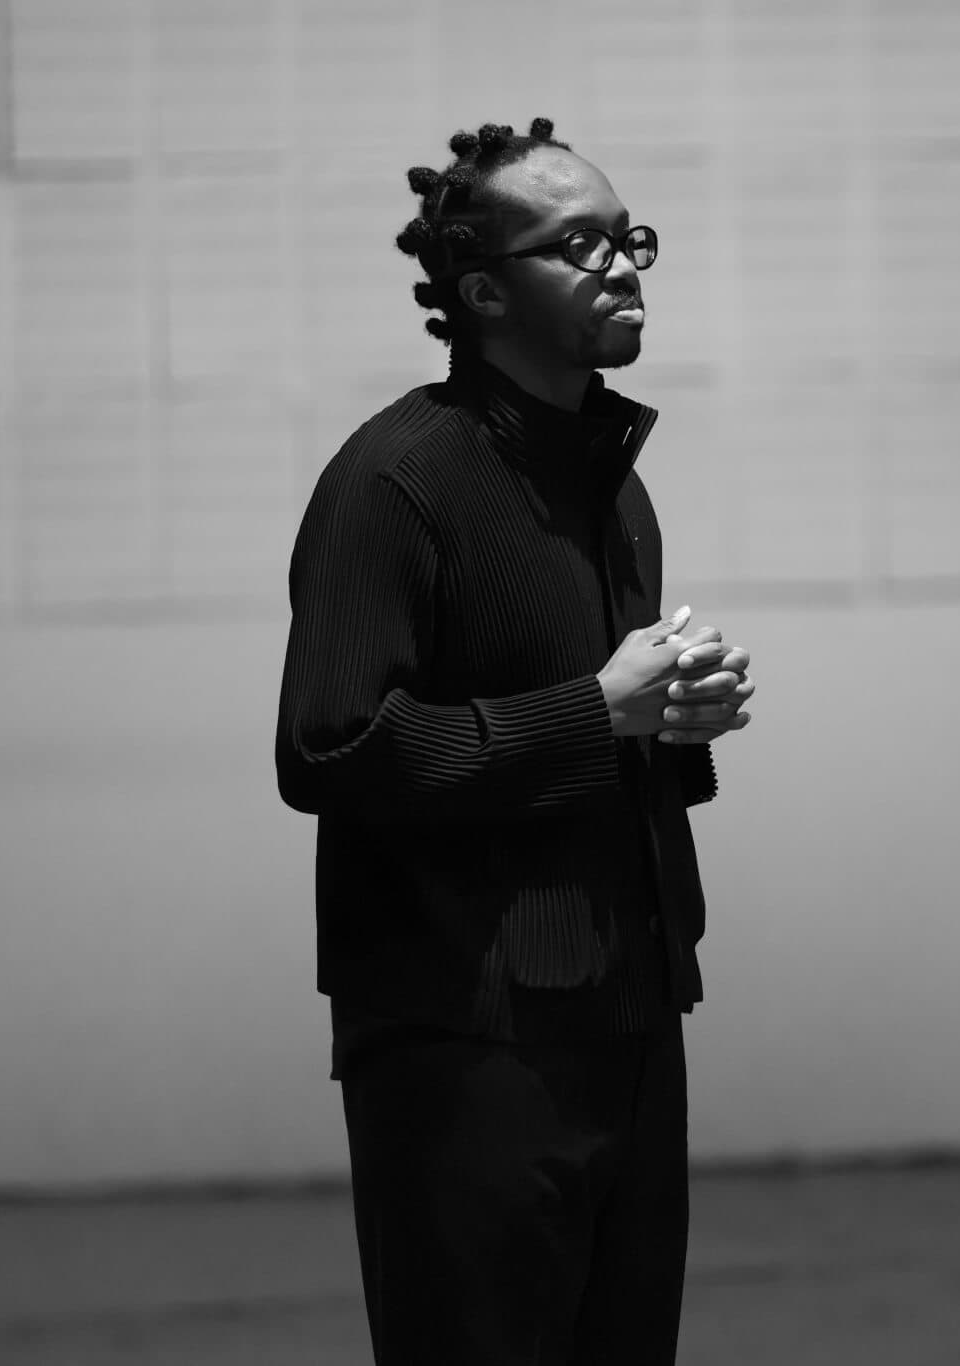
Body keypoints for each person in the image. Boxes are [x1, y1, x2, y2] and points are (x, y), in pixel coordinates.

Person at [273, 116, 754, 1365]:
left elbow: (595, 736)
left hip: (632, 1012)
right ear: (483, 291)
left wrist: (675, 721)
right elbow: (327, 749)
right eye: (577, 244)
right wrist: (598, 708)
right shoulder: (394, 482)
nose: (622, 264)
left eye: (629, 237)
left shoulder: (613, 483)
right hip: (460, 1036)